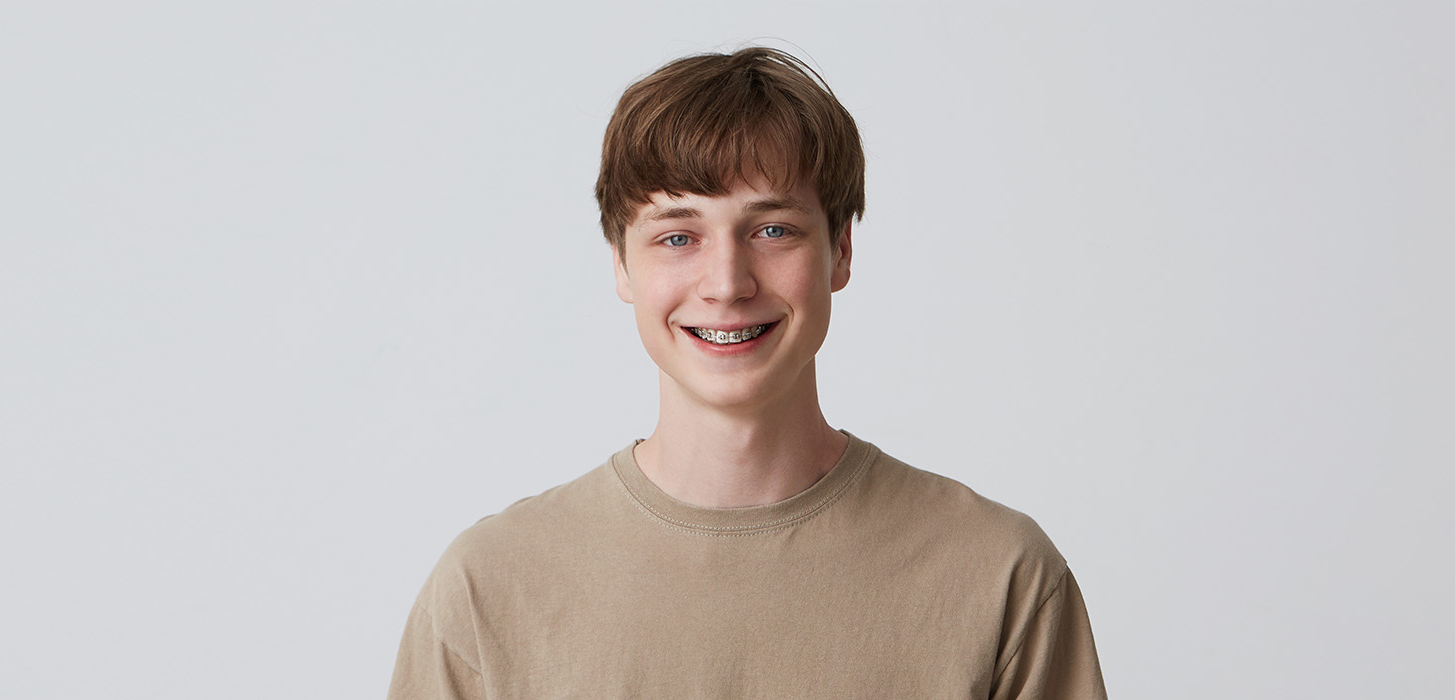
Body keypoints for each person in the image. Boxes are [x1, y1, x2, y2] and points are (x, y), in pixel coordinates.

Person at [387, 46, 1107, 699]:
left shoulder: (1000, 579)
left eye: (772, 230)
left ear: (841, 252)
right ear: (620, 264)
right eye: (678, 235)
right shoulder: (488, 591)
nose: (726, 282)